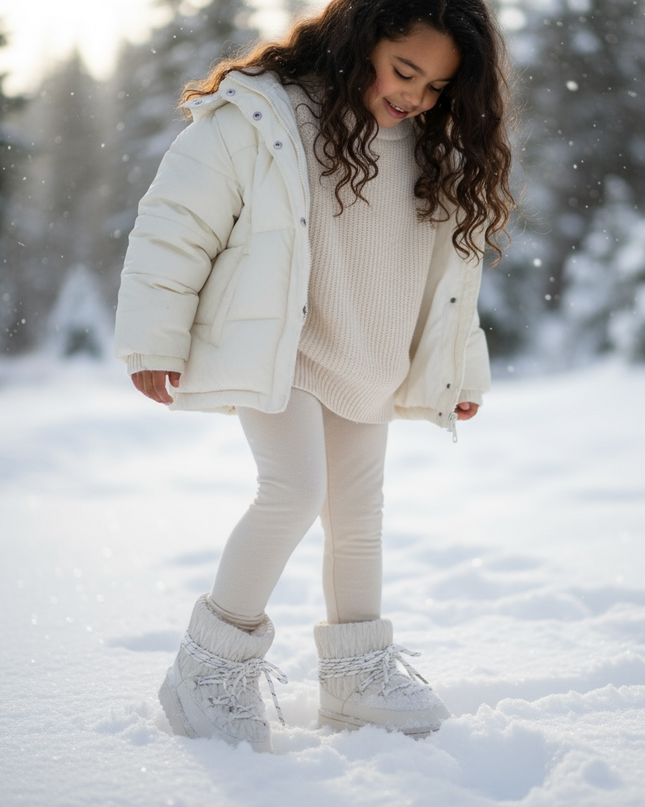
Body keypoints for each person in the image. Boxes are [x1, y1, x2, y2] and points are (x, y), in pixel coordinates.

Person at [114, 0, 515, 753]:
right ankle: (208, 667)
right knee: (293, 490)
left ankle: (356, 675)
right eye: (403, 71)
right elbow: (175, 224)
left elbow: (451, 283)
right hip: (282, 346)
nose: (415, 96)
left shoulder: (434, 149)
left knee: (359, 514)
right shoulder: (265, 114)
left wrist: (460, 368)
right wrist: (153, 337)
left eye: (435, 87)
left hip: (369, 349)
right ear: (359, 39)